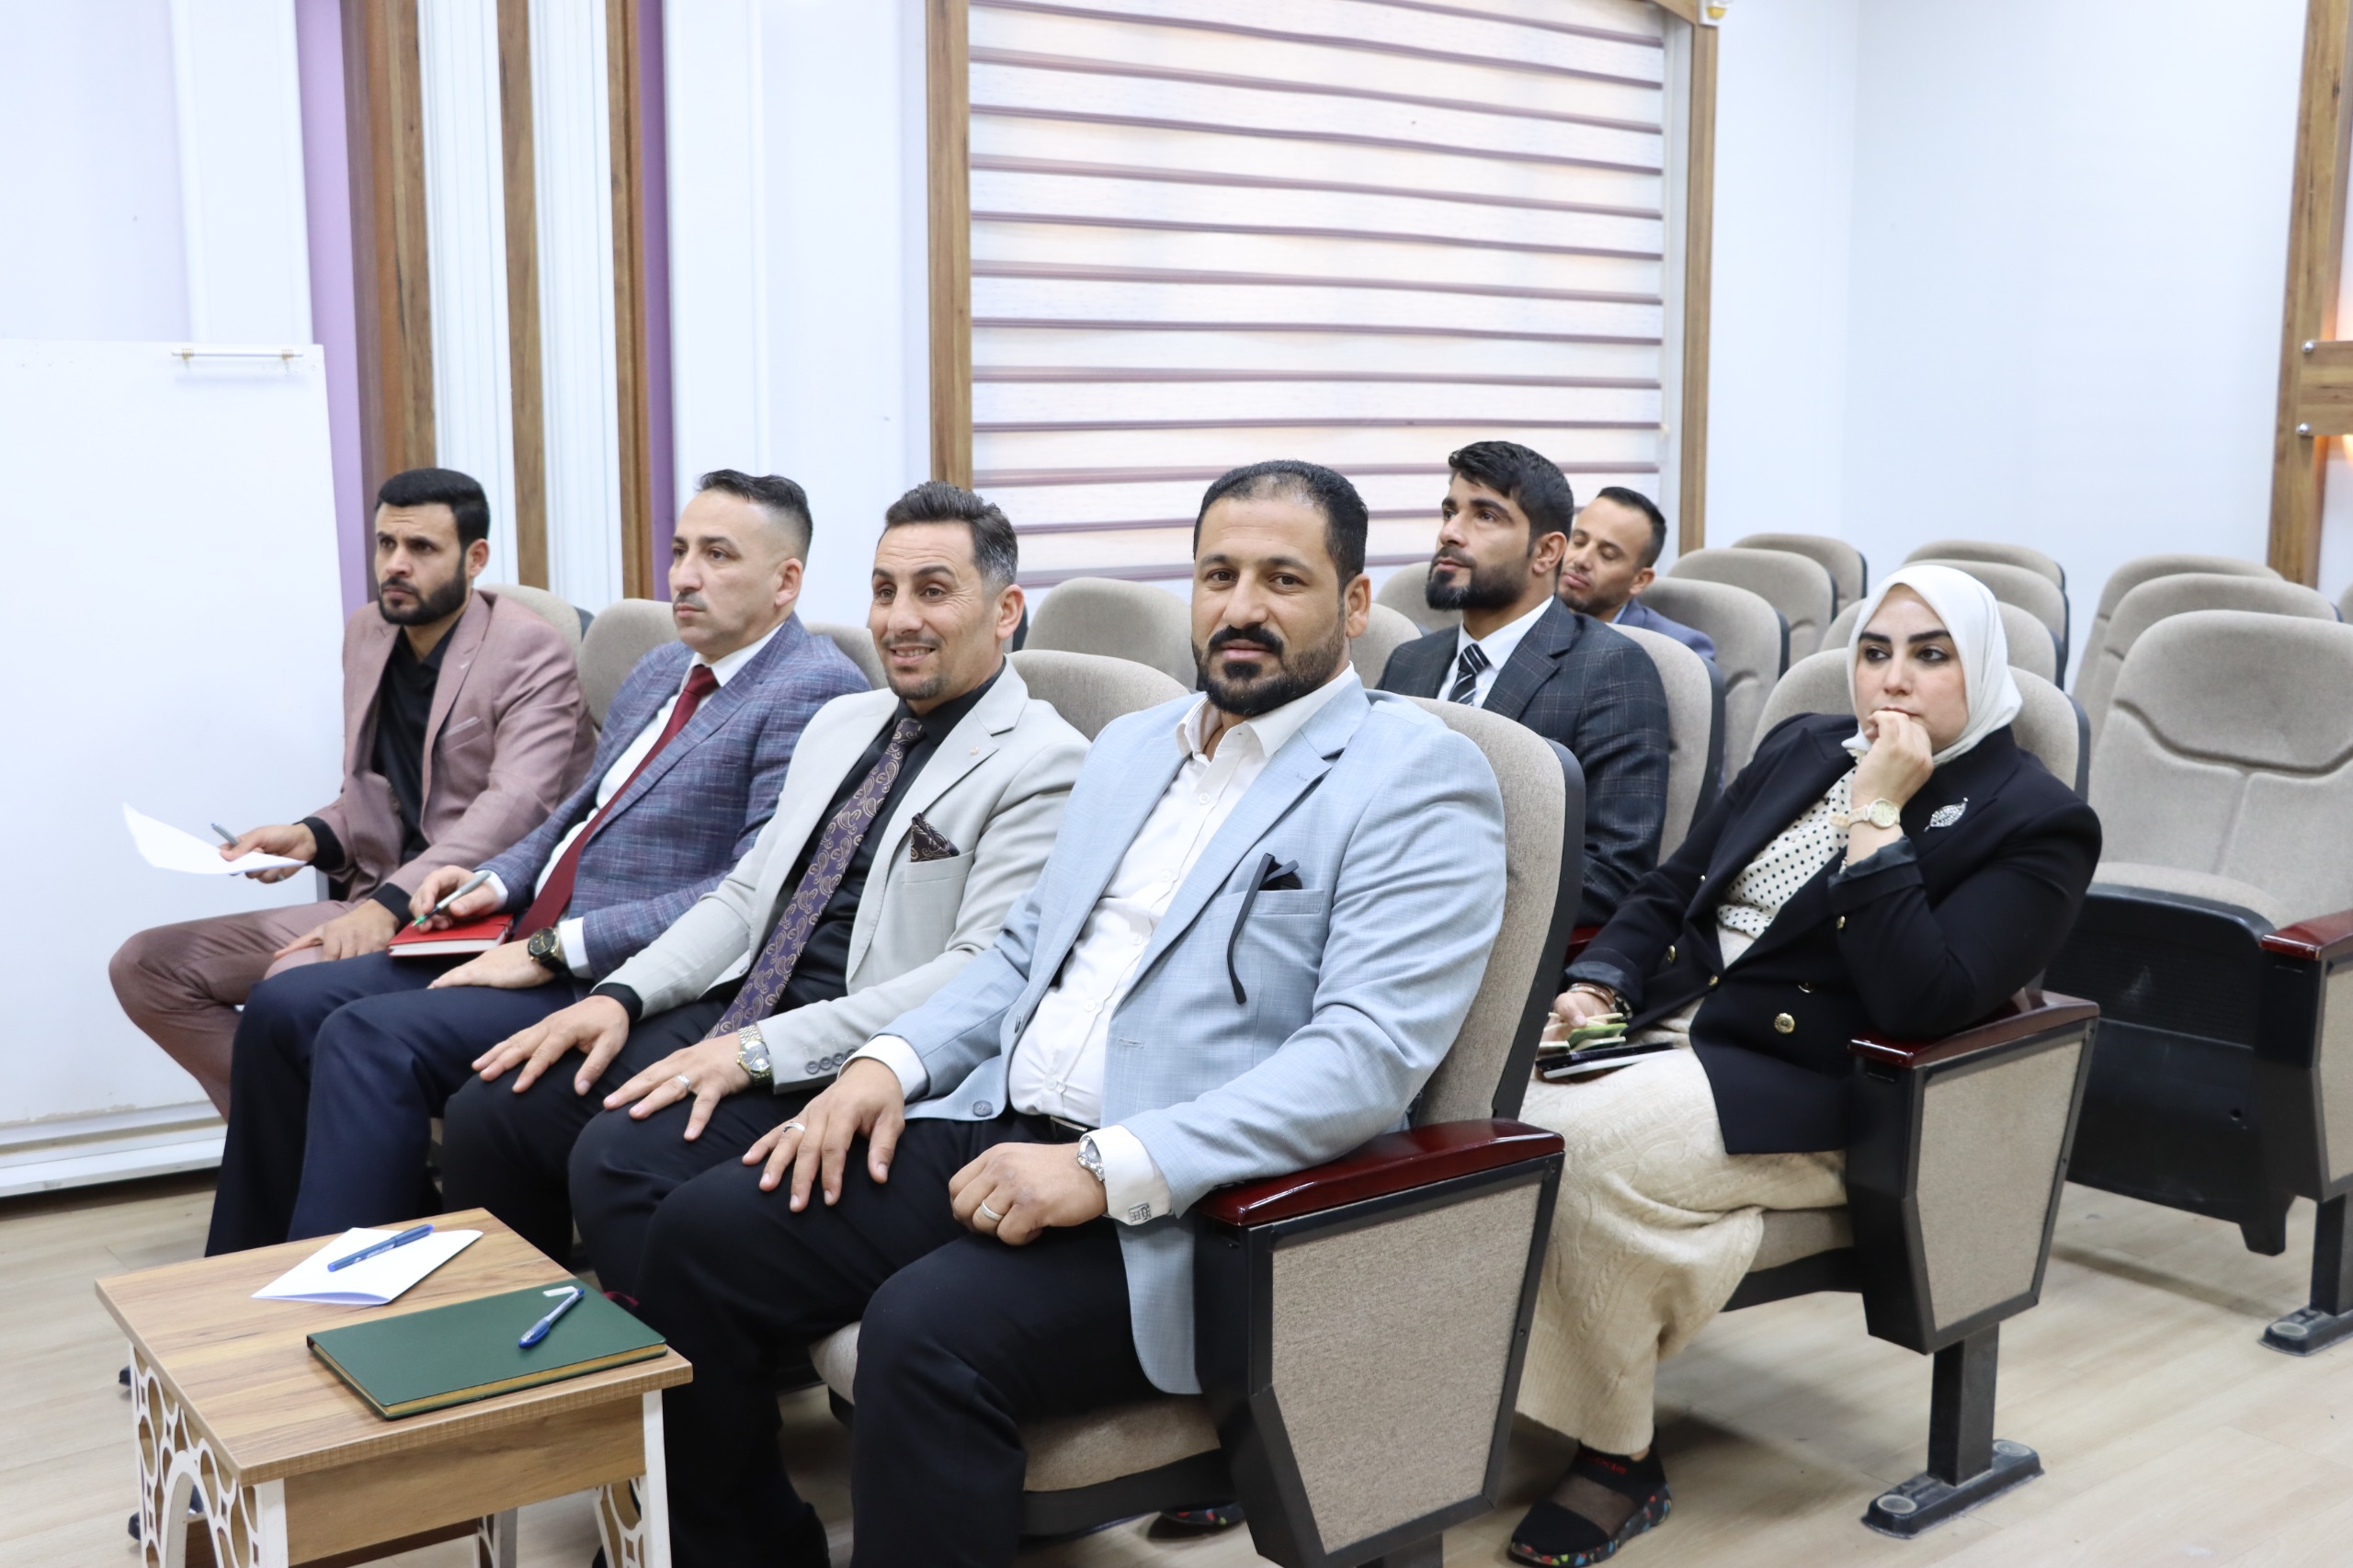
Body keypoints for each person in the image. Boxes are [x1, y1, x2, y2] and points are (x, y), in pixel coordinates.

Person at [629, 459, 1506, 1567]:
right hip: (999, 1122)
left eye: (1283, 579)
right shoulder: (1137, 745)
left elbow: (1362, 1060)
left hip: (1190, 1204)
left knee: (923, 1332)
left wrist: (1101, 1166)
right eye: (1218, 574)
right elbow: (1017, 954)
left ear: (1356, 602)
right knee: (700, 1235)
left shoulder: (1416, 776)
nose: (1241, 606)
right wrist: (886, 1063)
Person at [1505, 564, 2100, 1568]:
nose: (1892, 681)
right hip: (1667, 1023)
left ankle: (1618, 1457)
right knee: (1463, 1117)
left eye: (1930, 655)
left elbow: (1922, 1001)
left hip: (1820, 1084)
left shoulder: (2034, 819)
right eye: (1874, 653)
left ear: (1982, 669)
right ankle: (1477, 1383)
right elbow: (1675, 884)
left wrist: (1877, 814)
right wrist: (1601, 980)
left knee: (1575, 1146)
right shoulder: (1803, 744)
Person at [202, 471, 867, 1255]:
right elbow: (574, 814)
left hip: (610, 974)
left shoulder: (813, 689)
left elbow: (752, 889)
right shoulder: (663, 667)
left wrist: (556, 947)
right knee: (282, 1008)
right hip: (515, 934)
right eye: (680, 550)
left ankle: (340, 1300)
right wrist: (492, 881)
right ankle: (244, 1271)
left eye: (717, 556)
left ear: (785, 581)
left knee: (364, 1037)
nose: (684, 577)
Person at [438, 482, 1087, 1281]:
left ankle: (668, 1364)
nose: (899, 619)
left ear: (1005, 609)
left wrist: (752, 1052)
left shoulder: (1045, 762)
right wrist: (622, 996)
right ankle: (513, 1340)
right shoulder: (843, 722)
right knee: (495, 1110)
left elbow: (975, 974)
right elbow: (745, 895)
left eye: (932, 591)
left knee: (620, 1158)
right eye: (884, 591)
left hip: (849, 1047)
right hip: (745, 1000)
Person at [108, 468, 593, 1115]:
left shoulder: (530, 649)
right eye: (386, 543)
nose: (396, 565)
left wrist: (388, 906)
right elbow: (379, 790)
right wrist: (307, 837)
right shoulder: (370, 632)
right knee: (147, 967)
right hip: (377, 896)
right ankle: (301, 1140)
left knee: (289, 987)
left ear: (475, 558)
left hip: (475, 911)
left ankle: (312, 1149)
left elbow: (515, 810)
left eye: (421, 548)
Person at [1380, 440, 1670, 925]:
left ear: (1547, 552)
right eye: (1450, 512)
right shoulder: (1409, 660)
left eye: (1485, 516)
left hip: (1493, 940)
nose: (1450, 532)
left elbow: (1613, 874)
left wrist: (1420, 896)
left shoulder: (1612, 669)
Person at [1558, 485, 1719, 662]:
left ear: (1640, 580)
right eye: (1578, 542)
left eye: (1607, 555)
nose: (1581, 560)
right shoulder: (1537, 615)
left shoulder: (1678, 651)